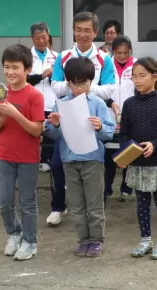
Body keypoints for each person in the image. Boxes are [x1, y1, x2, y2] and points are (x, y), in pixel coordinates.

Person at [49, 12, 116, 224]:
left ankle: (98, 208)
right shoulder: (63, 56)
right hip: (68, 112)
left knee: (94, 164)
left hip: (92, 114)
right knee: (59, 164)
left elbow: (109, 89)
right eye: (78, 30)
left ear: (95, 32)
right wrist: (75, 87)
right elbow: (55, 85)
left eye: (87, 30)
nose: (82, 34)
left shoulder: (104, 58)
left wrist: (86, 90)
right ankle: (58, 206)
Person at [45, 57, 115, 257]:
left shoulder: (98, 103)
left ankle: (96, 239)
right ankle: (83, 239)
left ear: (91, 82)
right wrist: (56, 125)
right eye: (74, 82)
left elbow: (108, 133)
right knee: (76, 203)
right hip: (69, 159)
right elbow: (54, 134)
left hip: (92, 159)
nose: (79, 87)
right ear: (67, 81)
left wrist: (100, 126)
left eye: (83, 82)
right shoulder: (61, 104)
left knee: (94, 203)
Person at [0, 44, 45, 261]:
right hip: (4, 156)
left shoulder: (34, 96)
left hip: (28, 158)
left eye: (16, 67)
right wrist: (1, 120)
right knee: (4, 201)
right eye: (6, 67)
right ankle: (14, 233)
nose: (10, 72)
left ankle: (30, 241)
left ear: (28, 69)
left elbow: (37, 130)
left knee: (28, 201)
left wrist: (15, 114)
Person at [119, 57, 157, 260]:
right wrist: (127, 152)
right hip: (137, 163)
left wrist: (155, 144)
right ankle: (145, 240)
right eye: (134, 76)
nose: (137, 80)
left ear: (155, 77)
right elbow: (124, 134)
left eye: (142, 75)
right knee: (141, 203)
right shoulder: (128, 104)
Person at [104, 35, 136, 202]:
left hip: (131, 116)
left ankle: (126, 187)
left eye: (126, 52)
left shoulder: (137, 65)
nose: (122, 56)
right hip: (110, 114)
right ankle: (107, 187)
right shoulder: (106, 64)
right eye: (118, 53)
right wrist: (111, 104)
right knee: (109, 152)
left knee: (127, 150)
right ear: (112, 51)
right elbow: (102, 89)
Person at [27, 22, 57, 173]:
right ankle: (31, 159)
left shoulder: (57, 57)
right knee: (32, 132)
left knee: (50, 134)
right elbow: (23, 79)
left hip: (51, 102)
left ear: (48, 36)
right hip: (32, 102)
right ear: (32, 38)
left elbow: (61, 81)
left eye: (44, 37)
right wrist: (41, 76)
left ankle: (46, 160)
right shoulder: (26, 56)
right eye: (37, 38)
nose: (41, 41)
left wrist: (52, 76)